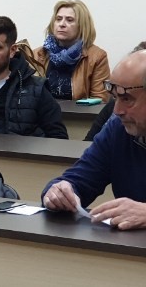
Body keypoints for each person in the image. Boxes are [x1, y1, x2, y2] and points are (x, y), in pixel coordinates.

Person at [42, 50, 146, 230]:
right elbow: (79, 179)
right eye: (115, 98)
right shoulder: (117, 130)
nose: (117, 111)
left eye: (127, 99)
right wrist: (60, 192)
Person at [33, 0, 110, 101]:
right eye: (58, 19)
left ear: (82, 26)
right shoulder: (38, 54)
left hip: (77, 111)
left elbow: (99, 101)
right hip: (43, 111)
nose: (62, 24)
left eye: (69, 20)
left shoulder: (97, 57)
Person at [84, 41, 146, 141]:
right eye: (114, 96)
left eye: (127, 99)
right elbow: (90, 144)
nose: (116, 111)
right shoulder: (117, 125)